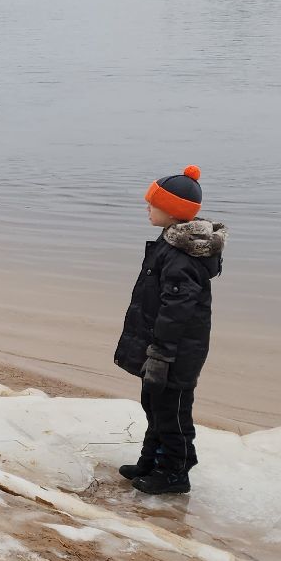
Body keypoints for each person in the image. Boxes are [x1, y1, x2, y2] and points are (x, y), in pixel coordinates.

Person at [112, 166, 225, 495]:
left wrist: (161, 352)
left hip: (176, 351)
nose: (146, 207)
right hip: (161, 346)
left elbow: (177, 310)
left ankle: (175, 471)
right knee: (153, 403)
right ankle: (151, 460)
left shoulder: (180, 255)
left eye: (153, 203)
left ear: (173, 211)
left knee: (172, 410)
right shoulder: (168, 244)